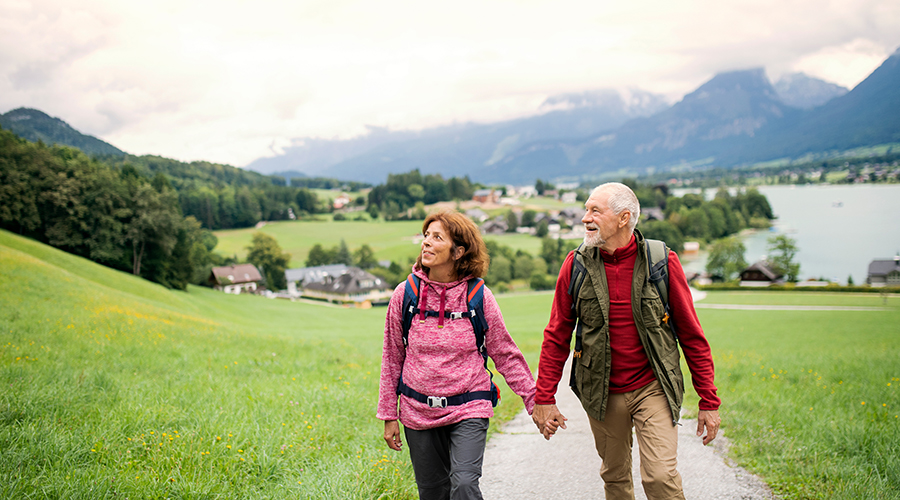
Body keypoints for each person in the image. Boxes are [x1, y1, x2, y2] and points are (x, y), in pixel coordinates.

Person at [531, 182, 721, 500]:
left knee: (660, 477)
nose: (585, 218)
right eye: (585, 209)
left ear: (623, 218)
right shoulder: (575, 264)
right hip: (601, 391)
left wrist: (709, 401)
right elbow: (557, 335)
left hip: (653, 387)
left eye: (595, 210)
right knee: (615, 477)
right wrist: (544, 397)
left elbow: (691, 334)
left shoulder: (662, 261)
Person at [378, 210, 536, 500]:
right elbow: (392, 356)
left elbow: (504, 351)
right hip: (417, 411)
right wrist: (389, 413)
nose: (426, 242)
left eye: (437, 237)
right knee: (433, 493)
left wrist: (534, 400)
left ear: (458, 251)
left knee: (464, 484)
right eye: (426, 235)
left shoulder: (478, 296)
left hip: (468, 406)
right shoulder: (405, 295)